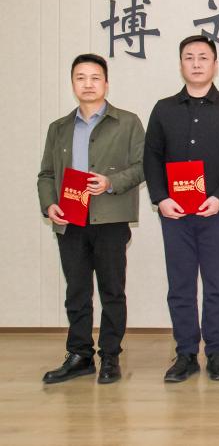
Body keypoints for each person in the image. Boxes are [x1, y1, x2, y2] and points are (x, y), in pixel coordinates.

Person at [143, 35, 219, 382]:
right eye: (189, 57)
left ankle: (217, 353)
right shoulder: (163, 109)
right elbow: (151, 157)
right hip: (175, 214)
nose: (196, 63)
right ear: (181, 65)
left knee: (218, 286)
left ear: (215, 65)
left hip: (218, 213)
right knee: (181, 287)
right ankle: (186, 354)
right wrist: (161, 198)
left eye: (203, 57)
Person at [36, 54, 145, 384]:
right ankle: (79, 354)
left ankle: (110, 355)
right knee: (77, 291)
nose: (88, 84)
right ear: (72, 84)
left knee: (112, 290)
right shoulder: (59, 128)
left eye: (95, 77)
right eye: (80, 77)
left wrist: (111, 182)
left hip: (110, 219)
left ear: (106, 84)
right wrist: (49, 204)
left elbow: (143, 166)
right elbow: (46, 174)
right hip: (70, 220)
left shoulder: (127, 122)